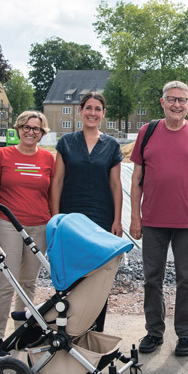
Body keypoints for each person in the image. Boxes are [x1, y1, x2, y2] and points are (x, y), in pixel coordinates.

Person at [130, 81, 188, 357]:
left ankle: (186, 334)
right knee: (152, 279)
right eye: (171, 99)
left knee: (187, 280)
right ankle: (154, 331)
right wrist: (135, 215)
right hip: (154, 219)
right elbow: (136, 179)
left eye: (182, 100)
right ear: (162, 102)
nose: (177, 105)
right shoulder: (148, 131)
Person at [49, 91, 124, 333]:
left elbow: (115, 184)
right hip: (71, 219)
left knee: (98, 279)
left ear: (104, 114)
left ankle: (94, 330)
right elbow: (57, 181)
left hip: (101, 219)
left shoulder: (111, 145)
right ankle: (68, 329)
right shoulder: (66, 142)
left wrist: (117, 220)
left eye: (98, 109)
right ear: (80, 111)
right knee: (71, 276)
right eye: (88, 108)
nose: (93, 113)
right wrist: (56, 218)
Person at [0, 111, 55, 358]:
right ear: (18, 128)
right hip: (8, 224)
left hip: (39, 226)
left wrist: (54, 225)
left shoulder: (49, 159)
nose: (31, 132)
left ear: (42, 133)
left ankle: (20, 334)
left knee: (28, 283)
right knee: (6, 281)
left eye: (36, 129)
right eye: (26, 127)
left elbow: (51, 195)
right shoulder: (4, 155)